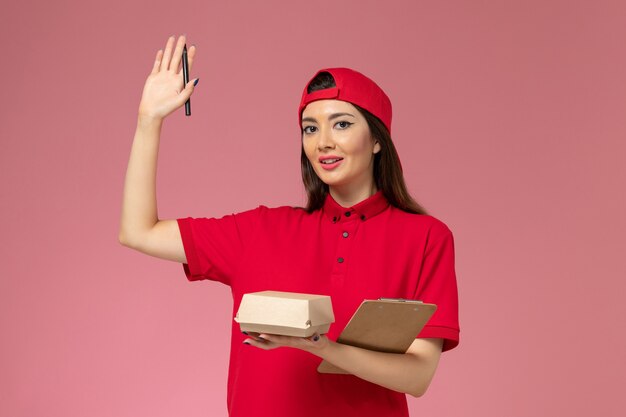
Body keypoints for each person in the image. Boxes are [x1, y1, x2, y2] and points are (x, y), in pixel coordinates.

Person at [119, 35, 460, 417]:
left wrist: (322, 347)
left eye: (342, 124)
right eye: (310, 129)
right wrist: (148, 121)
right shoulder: (260, 230)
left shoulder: (426, 238)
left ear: (377, 140)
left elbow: (418, 376)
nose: (323, 143)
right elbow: (138, 231)